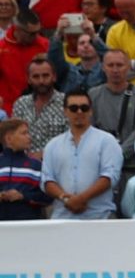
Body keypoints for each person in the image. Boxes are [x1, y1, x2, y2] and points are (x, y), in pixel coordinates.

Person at [38, 89, 120, 219]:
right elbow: (47, 180)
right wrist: (65, 199)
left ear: (91, 111)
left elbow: (110, 177)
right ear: (65, 111)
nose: (79, 112)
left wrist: (81, 198)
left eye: (84, 108)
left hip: (100, 217)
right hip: (62, 218)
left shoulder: (107, 141)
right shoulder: (52, 145)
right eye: (74, 108)